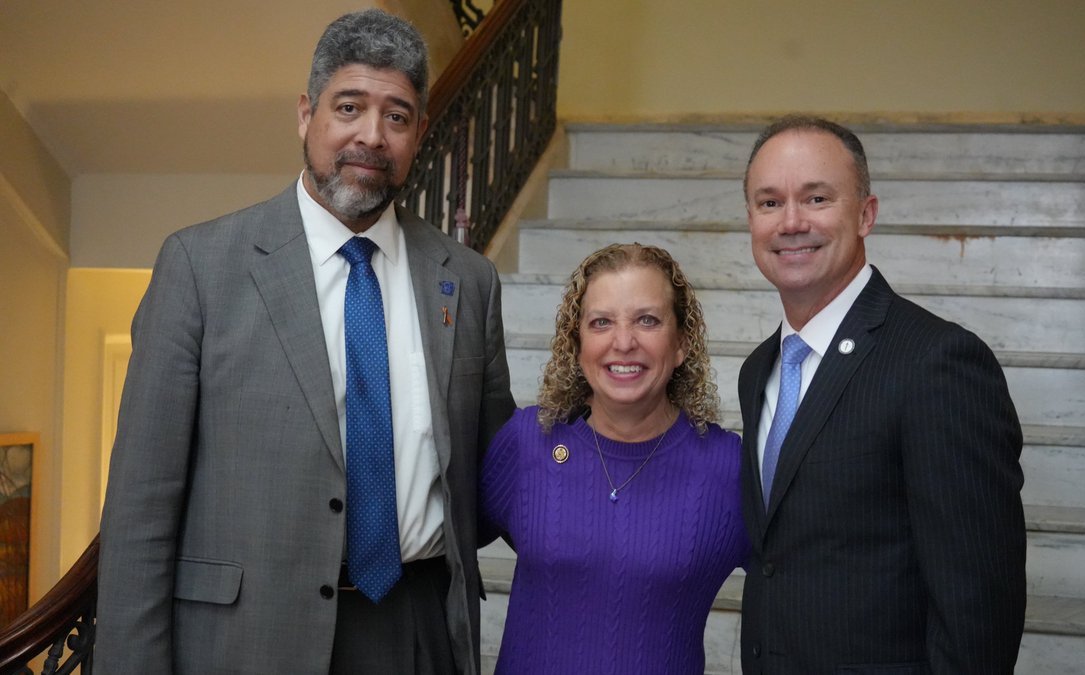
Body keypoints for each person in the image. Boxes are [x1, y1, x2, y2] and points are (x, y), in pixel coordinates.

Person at [95, 10, 514, 675]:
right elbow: (139, 517)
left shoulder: (467, 280)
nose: (370, 136)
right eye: (349, 106)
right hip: (247, 642)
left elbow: (500, 473)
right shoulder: (201, 267)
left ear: (420, 134)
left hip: (417, 632)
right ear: (305, 113)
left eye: (397, 116)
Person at [737, 116, 1026, 674]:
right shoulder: (760, 371)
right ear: (750, 219)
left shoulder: (937, 363)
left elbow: (978, 609)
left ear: (866, 213)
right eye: (769, 203)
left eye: (816, 197)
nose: (791, 222)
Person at [480, 243, 749, 673]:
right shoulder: (527, 443)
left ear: (681, 342)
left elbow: (794, 591)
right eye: (601, 322)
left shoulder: (728, 469)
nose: (624, 342)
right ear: (578, 342)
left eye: (648, 320)